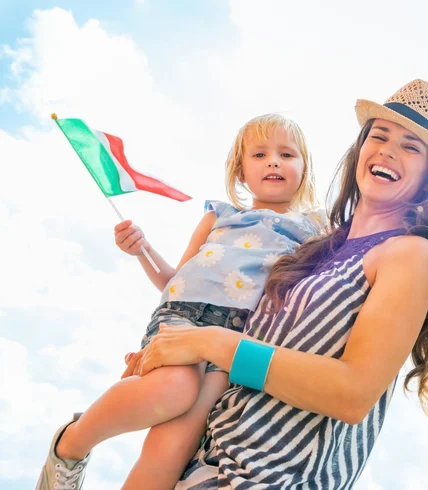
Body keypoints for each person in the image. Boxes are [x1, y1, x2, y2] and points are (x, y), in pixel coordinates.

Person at [126, 79, 428, 489]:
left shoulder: (410, 254)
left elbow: (352, 393)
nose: (386, 149)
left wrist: (210, 342)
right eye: (378, 135)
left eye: (410, 146)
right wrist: (167, 356)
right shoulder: (309, 249)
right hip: (203, 465)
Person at [36, 114, 325, 490]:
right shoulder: (219, 216)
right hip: (185, 315)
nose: (273, 161)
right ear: (240, 172)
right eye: (259, 154)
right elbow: (175, 280)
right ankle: (71, 444)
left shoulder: (315, 228)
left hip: (238, 338)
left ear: (304, 168)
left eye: (286, 154)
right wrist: (143, 251)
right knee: (174, 389)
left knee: (178, 439)